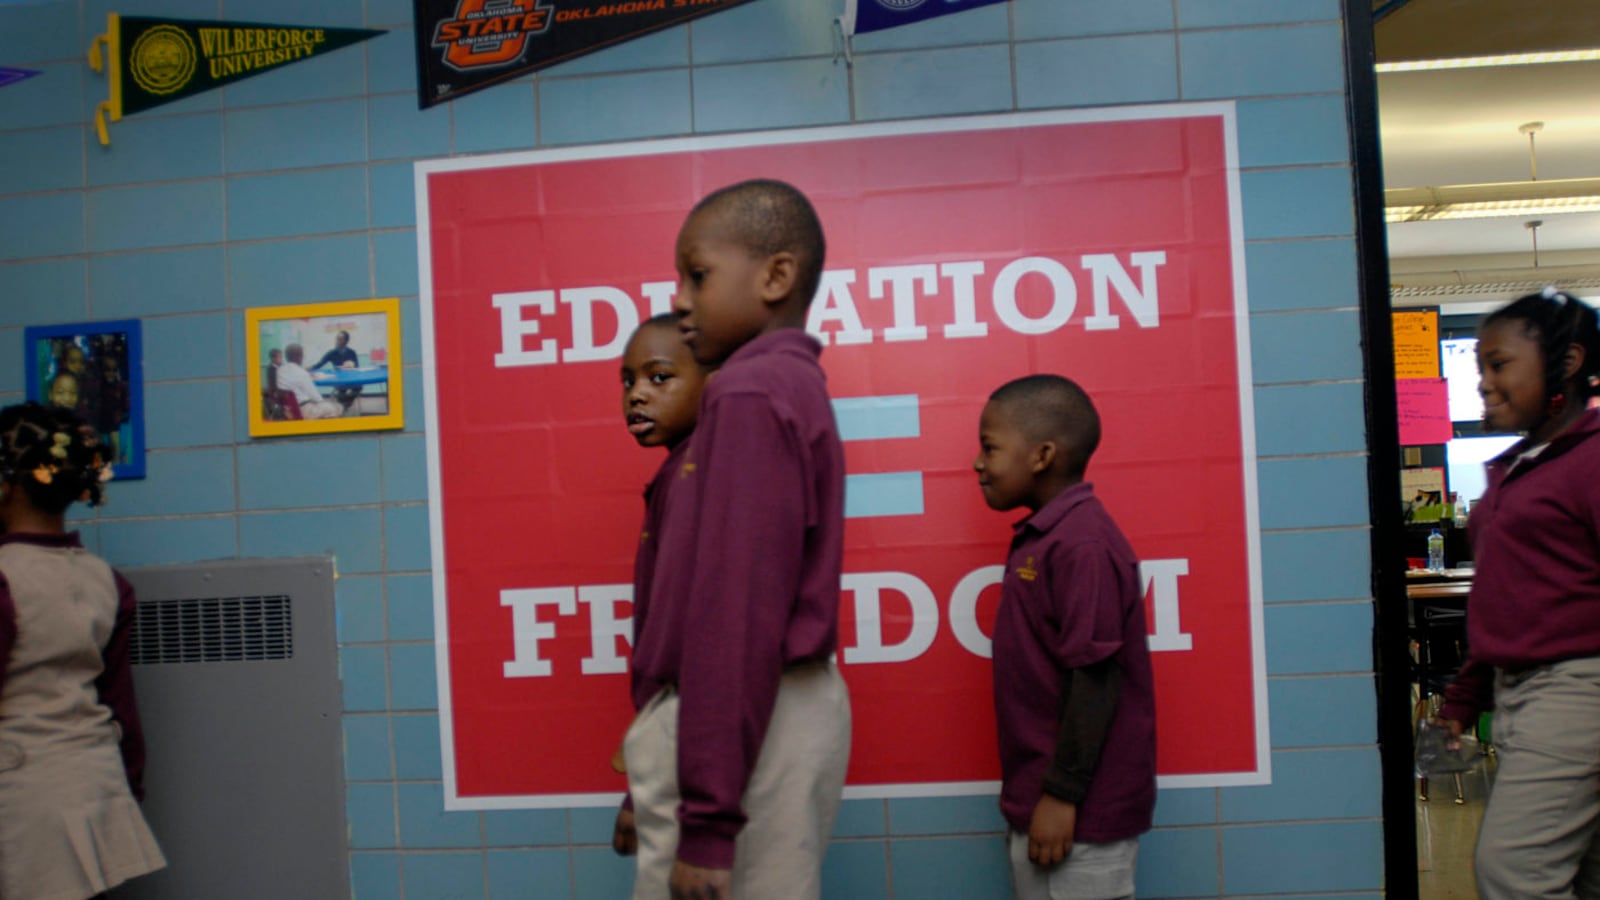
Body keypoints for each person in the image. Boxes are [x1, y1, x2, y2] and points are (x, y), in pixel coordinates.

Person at [625, 179, 851, 900]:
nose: (682, 298)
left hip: (752, 717)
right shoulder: (780, 384)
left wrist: (710, 824)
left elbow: (736, 612)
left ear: (777, 276)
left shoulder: (750, 394)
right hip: (755, 714)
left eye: (697, 274)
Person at [1436, 287, 1600, 899]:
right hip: (1521, 691)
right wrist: (1465, 696)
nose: (1482, 381)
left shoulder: (1590, 459)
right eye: (1479, 365)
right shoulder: (1523, 464)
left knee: (1514, 871)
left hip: (1577, 692)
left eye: (1499, 364)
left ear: (1568, 361)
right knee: (1582, 878)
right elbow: (1505, 598)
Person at [973, 374, 1156, 900]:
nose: (978, 463)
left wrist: (1061, 795)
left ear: (1042, 455)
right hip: (1045, 805)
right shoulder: (1047, 537)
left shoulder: (1083, 545)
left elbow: (1094, 677)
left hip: (1079, 816)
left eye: (990, 447)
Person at [0, 402, 166, 899]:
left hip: (21, 801)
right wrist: (128, 788)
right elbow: (123, 711)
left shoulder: (5, 580)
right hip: (94, 786)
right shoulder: (105, 580)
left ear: (6, 484)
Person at [611, 313, 711, 861]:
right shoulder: (677, 473)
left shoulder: (695, 474)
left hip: (687, 747)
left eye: (659, 377)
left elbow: (686, 645)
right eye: (628, 382)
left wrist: (642, 786)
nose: (637, 397)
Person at [275, 343, 342, 419]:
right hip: (304, 411)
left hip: (287, 410)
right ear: (299, 357)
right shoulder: (302, 373)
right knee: (337, 407)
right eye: (302, 355)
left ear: (286, 357)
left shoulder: (280, 371)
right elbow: (317, 398)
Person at [309, 331, 363, 411]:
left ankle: (346, 403)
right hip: (339, 380)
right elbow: (320, 364)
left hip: (351, 379)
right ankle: (344, 405)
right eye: (337, 339)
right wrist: (310, 368)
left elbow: (357, 367)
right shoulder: (332, 352)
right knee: (341, 391)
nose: (337, 341)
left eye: (340, 339)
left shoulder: (352, 352)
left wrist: (351, 366)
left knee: (359, 386)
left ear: (346, 341)